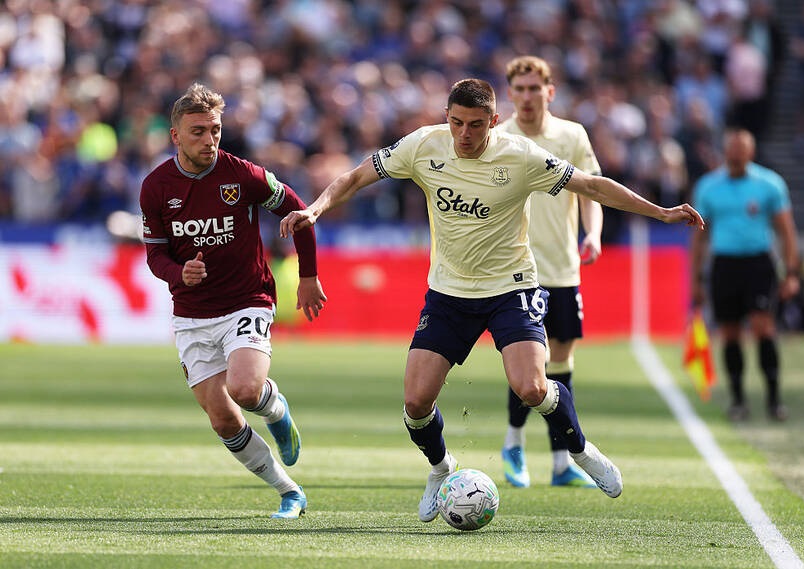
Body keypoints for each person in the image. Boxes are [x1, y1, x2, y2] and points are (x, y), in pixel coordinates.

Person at [280, 78, 703, 523]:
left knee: (531, 387)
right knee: (416, 402)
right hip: (448, 293)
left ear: (494, 121)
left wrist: (660, 212)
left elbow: (591, 186)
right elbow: (354, 177)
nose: (464, 134)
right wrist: (315, 209)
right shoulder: (423, 145)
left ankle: (581, 451)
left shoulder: (520, 156)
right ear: (446, 117)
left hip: (511, 288)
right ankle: (441, 468)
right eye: (457, 122)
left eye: (476, 125)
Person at [139, 83, 327, 519]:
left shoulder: (243, 175)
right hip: (192, 314)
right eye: (198, 132)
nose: (209, 140)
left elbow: (299, 212)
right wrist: (178, 273)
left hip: (247, 299)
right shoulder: (155, 187)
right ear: (176, 136)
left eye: (215, 130)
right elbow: (155, 254)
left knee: (244, 389)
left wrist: (308, 276)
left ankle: (274, 408)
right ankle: (289, 492)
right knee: (222, 419)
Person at [495, 56, 603, 490]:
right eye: (519, 89)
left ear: (549, 92)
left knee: (561, 360)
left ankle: (561, 462)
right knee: (529, 361)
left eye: (533, 88)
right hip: (518, 269)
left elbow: (591, 191)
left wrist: (593, 233)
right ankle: (514, 443)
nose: (526, 97)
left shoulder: (571, 135)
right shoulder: (499, 137)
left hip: (563, 266)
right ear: (510, 94)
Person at [690, 127, 799, 422]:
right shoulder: (708, 187)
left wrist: (791, 272)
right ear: (726, 152)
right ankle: (738, 400)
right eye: (732, 150)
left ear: (751, 152)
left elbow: (786, 231)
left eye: (742, 150)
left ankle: (774, 399)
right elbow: (699, 238)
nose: (736, 156)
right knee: (730, 332)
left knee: (763, 327)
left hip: (758, 264)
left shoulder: (769, 184)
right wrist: (696, 278)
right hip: (725, 265)